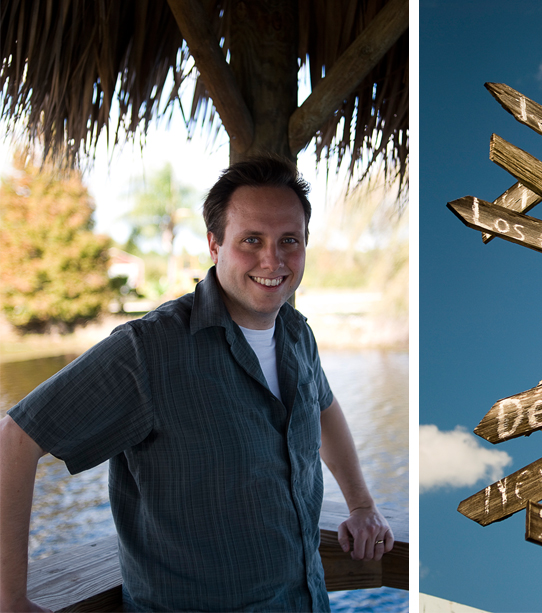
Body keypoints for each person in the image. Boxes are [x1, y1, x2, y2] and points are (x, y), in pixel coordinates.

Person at [0, 155, 394, 612]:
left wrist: (362, 504)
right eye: (252, 240)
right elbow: (17, 438)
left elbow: (322, 406)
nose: (273, 258)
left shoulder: (294, 331)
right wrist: (11, 601)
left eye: (290, 240)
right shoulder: (149, 350)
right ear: (214, 244)